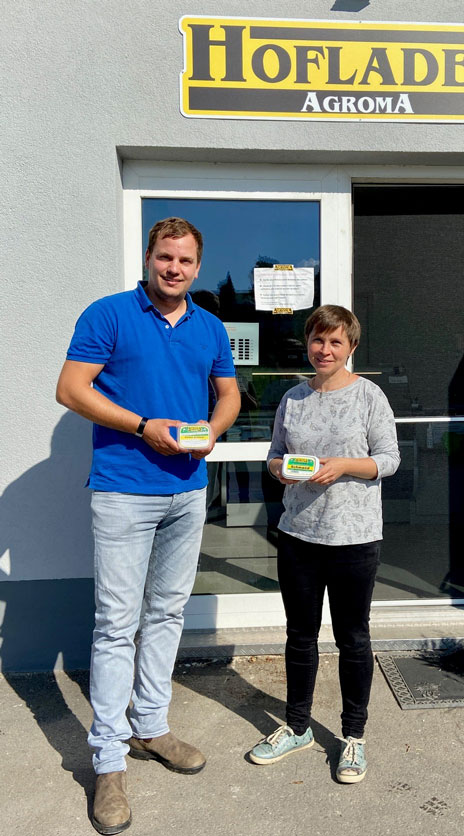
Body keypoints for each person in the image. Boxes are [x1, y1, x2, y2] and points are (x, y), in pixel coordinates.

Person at [56, 217, 240, 834]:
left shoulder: (209, 325)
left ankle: (152, 728)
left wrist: (212, 430)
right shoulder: (109, 314)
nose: (174, 269)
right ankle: (108, 762)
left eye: (185, 261)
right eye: (165, 257)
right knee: (116, 624)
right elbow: (70, 389)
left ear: (197, 266)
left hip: (187, 490)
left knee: (166, 613)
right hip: (124, 492)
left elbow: (228, 394)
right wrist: (141, 426)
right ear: (148, 257)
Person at [249, 305, 399, 783]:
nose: (325, 350)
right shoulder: (292, 398)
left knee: (353, 637)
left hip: (354, 536)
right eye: (318, 340)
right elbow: (275, 455)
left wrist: (343, 466)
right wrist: (280, 469)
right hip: (299, 535)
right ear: (308, 343)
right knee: (300, 635)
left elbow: (388, 459)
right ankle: (297, 727)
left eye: (336, 342)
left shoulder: (369, 396)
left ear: (351, 347)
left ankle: (353, 736)